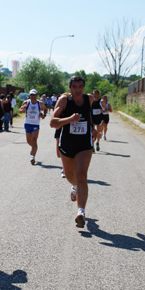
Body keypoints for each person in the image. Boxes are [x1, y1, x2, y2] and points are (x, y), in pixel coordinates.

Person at [50, 75, 94, 228]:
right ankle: (74, 187)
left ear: (84, 87)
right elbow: (52, 122)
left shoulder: (89, 99)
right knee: (71, 177)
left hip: (84, 145)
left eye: (80, 86)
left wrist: (93, 129)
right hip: (67, 144)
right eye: (74, 87)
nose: (78, 90)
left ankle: (81, 212)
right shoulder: (64, 101)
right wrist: (69, 119)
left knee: (82, 175)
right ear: (70, 88)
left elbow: (89, 116)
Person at [18, 89, 46, 164]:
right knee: (28, 141)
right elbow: (20, 111)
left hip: (36, 124)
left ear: (36, 96)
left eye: (34, 95)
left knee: (34, 140)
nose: (33, 97)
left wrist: (43, 115)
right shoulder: (26, 102)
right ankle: (34, 148)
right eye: (31, 95)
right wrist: (22, 109)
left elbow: (45, 109)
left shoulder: (40, 103)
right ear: (29, 96)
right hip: (27, 123)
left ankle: (32, 157)